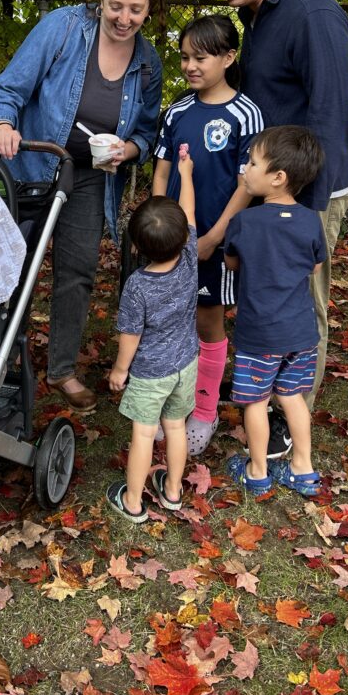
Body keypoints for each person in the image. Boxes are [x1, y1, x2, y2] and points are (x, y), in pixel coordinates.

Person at [0, 0, 164, 412]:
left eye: (135, 9)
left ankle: (61, 369)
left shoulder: (148, 62)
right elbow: (7, 90)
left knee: (77, 273)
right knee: (11, 271)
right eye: (116, 5)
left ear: (149, 9)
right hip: (33, 167)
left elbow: (147, 131)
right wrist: (3, 125)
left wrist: (129, 150)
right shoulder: (62, 29)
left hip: (89, 179)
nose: (124, 18)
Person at [197, 0, 348, 439]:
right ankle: (261, 395)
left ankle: (292, 419)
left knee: (300, 306)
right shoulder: (256, 16)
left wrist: (301, 214)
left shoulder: (313, 16)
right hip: (268, 185)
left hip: (306, 194)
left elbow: (330, 118)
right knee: (262, 295)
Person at [152, 15, 263, 455]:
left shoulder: (246, 115)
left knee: (206, 321)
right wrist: (159, 223)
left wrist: (213, 236)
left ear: (228, 56)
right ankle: (174, 403)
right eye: (184, 57)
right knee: (171, 319)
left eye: (200, 57)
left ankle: (205, 410)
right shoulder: (178, 110)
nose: (190, 66)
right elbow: (161, 169)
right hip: (172, 240)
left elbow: (246, 185)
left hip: (215, 241)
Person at [224, 125, 326, 497]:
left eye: (252, 162)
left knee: (255, 401)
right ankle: (303, 468)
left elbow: (233, 264)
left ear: (278, 178)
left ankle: (257, 470)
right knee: (291, 397)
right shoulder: (311, 220)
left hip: (259, 334)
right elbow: (315, 267)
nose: (246, 169)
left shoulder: (245, 222)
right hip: (300, 333)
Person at [107, 149, 198, 522]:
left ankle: (132, 501)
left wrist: (119, 371)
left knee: (144, 435)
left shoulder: (137, 286)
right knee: (175, 427)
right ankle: (173, 491)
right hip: (187, 363)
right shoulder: (191, 255)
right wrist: (185, 174)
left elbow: (130, 334)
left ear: (136, 247)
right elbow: (189, 214)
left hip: (150, 373)